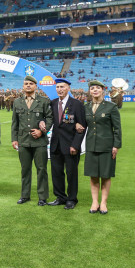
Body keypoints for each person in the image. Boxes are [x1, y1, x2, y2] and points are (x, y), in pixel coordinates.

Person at [11, 75, 52, 206]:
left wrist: (42, 130)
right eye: (26, 84)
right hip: (23, 141)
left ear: (36, 86)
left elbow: (50, 118)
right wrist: (14, 139)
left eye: (31, 83)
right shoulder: (17, 102)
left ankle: (42, 197)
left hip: (39, 141)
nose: (28, 85)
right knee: (25, 169)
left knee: (41, 169)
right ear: (23, 87)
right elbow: (14, 123)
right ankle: (25, 195)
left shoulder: (44, 101)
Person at [47, 79, 86, 210]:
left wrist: (75, 145)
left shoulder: (77, 104)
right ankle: (60, 197)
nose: (59, 89)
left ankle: (71, 199)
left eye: (62, 87)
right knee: (56, 173)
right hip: (55, 145)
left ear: (68, 88)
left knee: (71, 174)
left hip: (70, 146)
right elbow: (48, 120)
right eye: (57, 87)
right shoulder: (52, 103)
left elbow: (82, 127)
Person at [84, 80, 122, 215]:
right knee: (93, 175)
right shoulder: (86, 107)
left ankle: (104, 202)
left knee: (105, 175)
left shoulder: (111, 107)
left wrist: (116, 145)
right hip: (91, 145)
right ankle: (95, 202)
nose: (95, 90)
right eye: (92, 88)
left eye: (97, 88)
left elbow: (117, 128)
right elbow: (83, 125)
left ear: (102, 91)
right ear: (89, 91)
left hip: (107, 146)